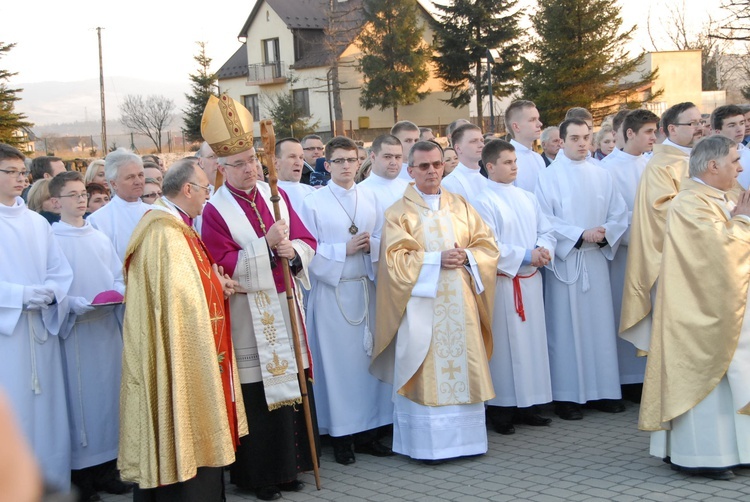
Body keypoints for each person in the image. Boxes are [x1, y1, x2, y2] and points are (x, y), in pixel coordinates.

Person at [199, 94, 318, 501]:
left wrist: (293, 253)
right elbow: (220, 263)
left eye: (252, 160)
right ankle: (259, 476)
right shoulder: (214, 210)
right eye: (240, 164)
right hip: (249, 313)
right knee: (258, 392)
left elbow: (305, 239)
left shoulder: (276, 195)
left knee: (291, 386)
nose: (250, 168)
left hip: (286, 307)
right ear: (221, 167)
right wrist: (266, 249)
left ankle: (290, 468)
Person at [119, 159, 248, 501]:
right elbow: (179, 306)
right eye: (206, 188)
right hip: (181, 352)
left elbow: (187, 289)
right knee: (181, 418)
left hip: (195, 340)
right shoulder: (164, 233)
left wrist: (217, 285)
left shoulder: (178, 225)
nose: (209, 196)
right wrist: (213, 291)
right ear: (188, 189)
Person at [371, 141, 499, 462]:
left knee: (463, 365)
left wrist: (467, 255)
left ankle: (468, 443)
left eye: (437, 165)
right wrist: (434, 260)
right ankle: (427, 447)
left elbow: (487, 246)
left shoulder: (461, 206)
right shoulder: (398, 212)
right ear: (410, 170)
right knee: (425, 369)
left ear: (444, 166)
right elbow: (393, 262)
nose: (431, 171)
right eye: (424, 166)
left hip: (461, 302)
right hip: (421, 306)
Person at [640, 135, 750, 480]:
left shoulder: (720, 198)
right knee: (707, 380)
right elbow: (718, 253)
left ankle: (736, 451)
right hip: (697, 315)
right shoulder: (689, 203)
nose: (741, 167)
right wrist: (744, 220)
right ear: (713, 165)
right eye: (734, 160)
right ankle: (702, 456)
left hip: (726, 307)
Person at [299, 136, 393, 465]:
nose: (345, 166)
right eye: (338, 161)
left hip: (365, 288)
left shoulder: (371, 198)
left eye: (351, 160)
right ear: (327, 165)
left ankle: (369, 432)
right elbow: (304, 248)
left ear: (359, 161)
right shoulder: (313, 202)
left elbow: (385, 238)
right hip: (332, 294)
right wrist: (343, 250)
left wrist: (373, 247)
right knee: (338, 368)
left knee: (366, 365)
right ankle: (341, 437)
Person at [535, 119, 628, 420]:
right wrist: (578, 233)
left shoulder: (602, 174)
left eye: (586, 137)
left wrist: (605, 231)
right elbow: (545, 218)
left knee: (600, 326)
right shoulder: (549, 177)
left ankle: (604, 391)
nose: (582, 143)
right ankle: (568, 396)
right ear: (561, 141)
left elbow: (620, 212)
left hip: (596, 260)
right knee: (566, 330)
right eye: (574, 138)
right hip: (568, 262)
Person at [49, 171, 129, 501]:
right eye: (73, 195)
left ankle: (108, 469)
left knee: (109, 399)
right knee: (80, 405)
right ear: (56, 202)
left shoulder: (97, 236)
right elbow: (51, 283)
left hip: (105, 328)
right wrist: (74, 305)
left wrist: (119, 292)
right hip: (75, 333)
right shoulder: (52, 239)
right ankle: (82, 477)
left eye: (84, 193)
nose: (81, 199)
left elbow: (117, 275)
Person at [0, 143, 74, 492]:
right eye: (11, 172)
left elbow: (60, 270)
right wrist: (18, 296)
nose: (20, 179)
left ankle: (53, 485)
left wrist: (51, 292)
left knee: (48, 418)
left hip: (40, 332)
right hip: (8, 336)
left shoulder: (37, 223)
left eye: (21, 172)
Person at [472, 140, 555, 436]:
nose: (514, 167)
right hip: (506, 284)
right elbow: (488, 245)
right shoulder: (483, 201)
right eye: (507, 162)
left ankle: (529, 405)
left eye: (515, 161)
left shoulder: (527, 197)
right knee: (507, 350)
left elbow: (546, 229)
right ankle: (502, 410)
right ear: (490, 166)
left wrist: (544, 249)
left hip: (530, 281)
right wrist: (525, 255)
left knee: (531, 345)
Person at [619, 102, 705, 355]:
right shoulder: (662, 164)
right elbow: (661, 210)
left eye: (701, 122)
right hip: (673, 259)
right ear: (671, 129)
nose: (699, 128)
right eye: (692, 123)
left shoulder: (693, 157)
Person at [600, 110, 659, 399]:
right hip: (627, 253)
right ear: (630, 133)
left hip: (655, 254)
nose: (653, 137)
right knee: (624, 310)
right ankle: (628, 380)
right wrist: (645, 227)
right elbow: (612, 215)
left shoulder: (653, 164)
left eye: (655, 131)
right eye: (648, 132)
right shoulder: (608, 168)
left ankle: (650, 375)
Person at [87, 148, 149, 261]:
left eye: (140, 175)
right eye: (130, 177)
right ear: (114, 183)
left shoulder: (157, 212)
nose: (138, 181)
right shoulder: (98, 220)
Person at [357, 134, 408, 210]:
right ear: (373, 157)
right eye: (387, 157)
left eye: (398, 157)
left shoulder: (409, 188)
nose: (394, 162)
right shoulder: (359, 193)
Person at [505, 100, 545, 191]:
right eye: (532, 120)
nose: (540, 124)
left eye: (538, 119)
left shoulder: (538, 158)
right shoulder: (505, 160)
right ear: (516, 127)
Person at [441, 123, 487, 203]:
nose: (481, 145)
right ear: (458, 148)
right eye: (473, 141)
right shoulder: (449, 184)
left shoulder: (487, 179)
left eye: (482, 140)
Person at [710, 105, 750, 188]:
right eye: (732, 125)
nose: (739, 129)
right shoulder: (707, 158)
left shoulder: (748, 153)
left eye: (742, 123)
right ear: (717, 131)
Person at [274, 137, 315, 210]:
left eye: (301, 157)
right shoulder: (268, 194)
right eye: (292, 157)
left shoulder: (313, 193)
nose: (298, 163)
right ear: (276, 162)